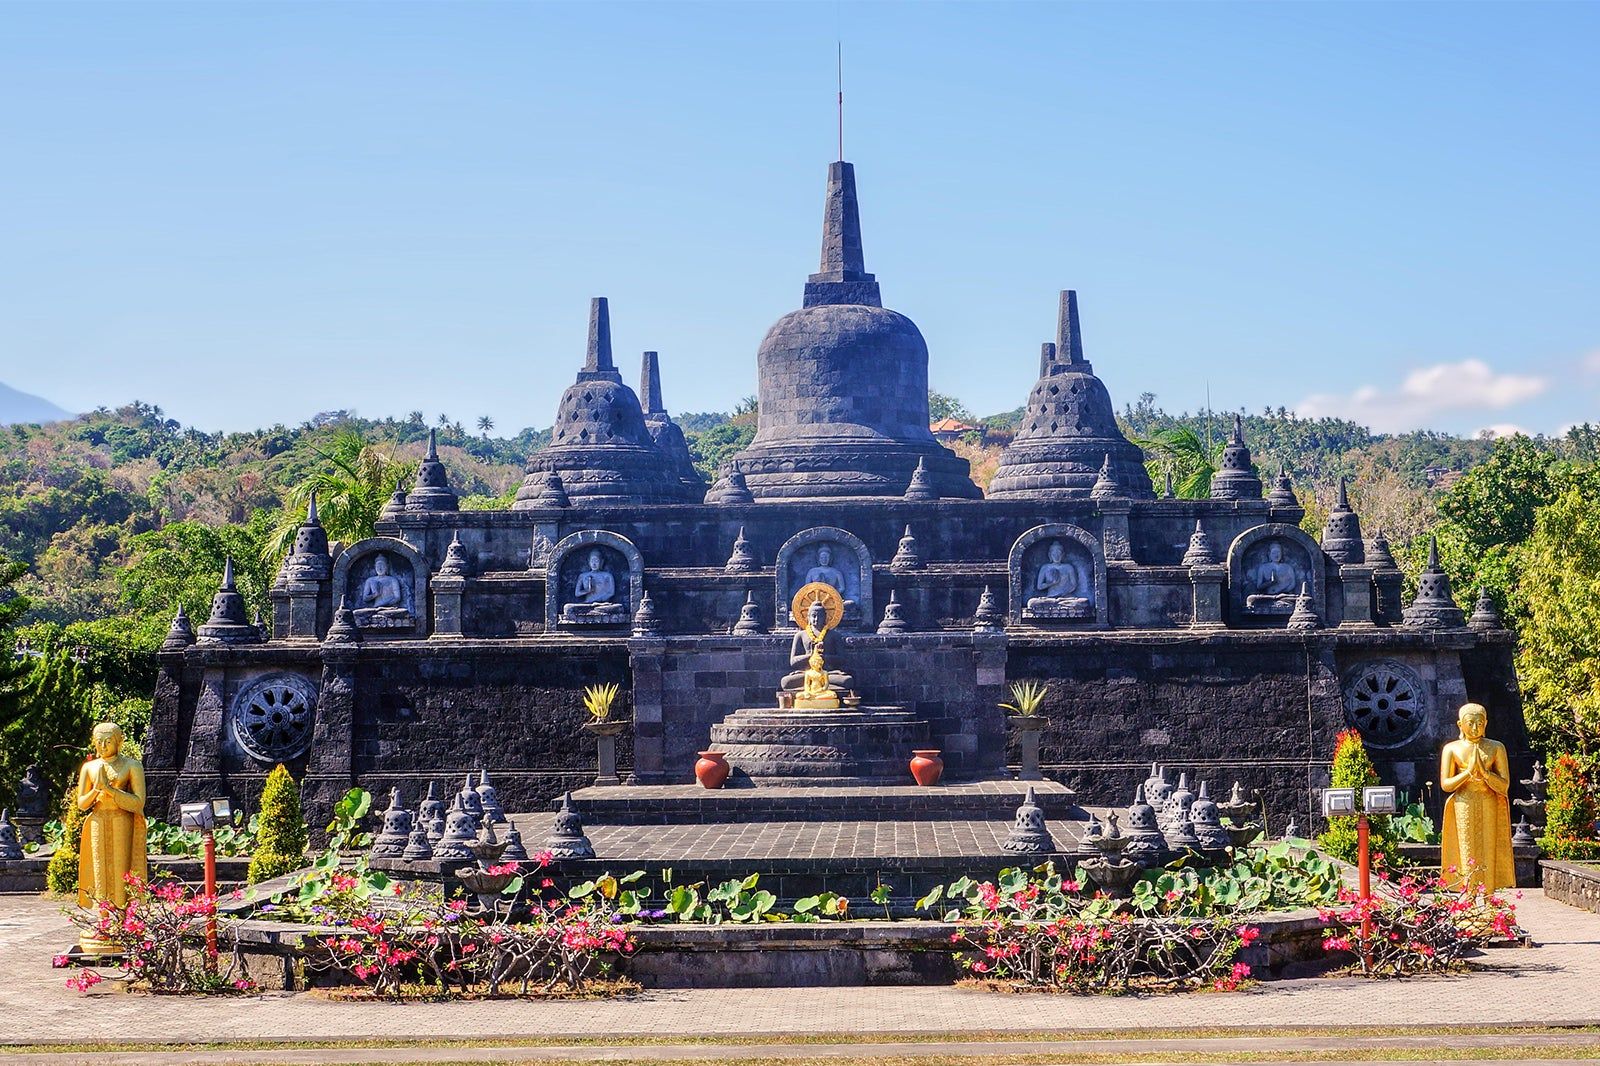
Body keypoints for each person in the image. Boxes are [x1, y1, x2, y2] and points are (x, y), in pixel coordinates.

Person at [1440, 702, 1515, 893]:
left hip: (1488, 799)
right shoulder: (1452, 749)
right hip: (1463, 802)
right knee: (1467, 849)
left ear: (1486, 723)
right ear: (1460, 725)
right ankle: (1470, 897)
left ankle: (1489, 896)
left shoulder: (1496, 747)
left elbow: (1504, 785)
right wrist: (1468, 773)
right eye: (1470, 723)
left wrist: (1486, 774)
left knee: (1488, 849)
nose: (1475, 728)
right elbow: (1446, 784)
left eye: (1480, 723)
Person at [75, 723, 147, 912]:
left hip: (121, 820)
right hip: (98, 820)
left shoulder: (131, 765)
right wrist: (97, 790)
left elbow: (139, 803)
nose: (103, 746)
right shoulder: (89, 767)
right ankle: (103, 916)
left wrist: (110, 790)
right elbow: (81, 803)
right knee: (99, 869)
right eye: (99, 742)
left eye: (108, 741)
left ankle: (121, 916)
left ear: (119, 742)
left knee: (120, 869)